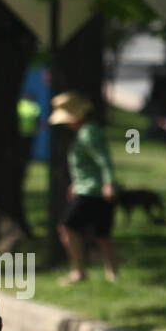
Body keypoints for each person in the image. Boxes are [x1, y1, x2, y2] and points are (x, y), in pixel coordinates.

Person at [50, 91, 117, 284]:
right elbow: (91, 164)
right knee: (102, 233)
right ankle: (112, 274)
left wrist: (109, 183)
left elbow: (103, 160)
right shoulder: (89, 131)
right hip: (89, 188)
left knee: (67, 227)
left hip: (90, 191)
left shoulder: (88, 133)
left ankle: (79, 271)